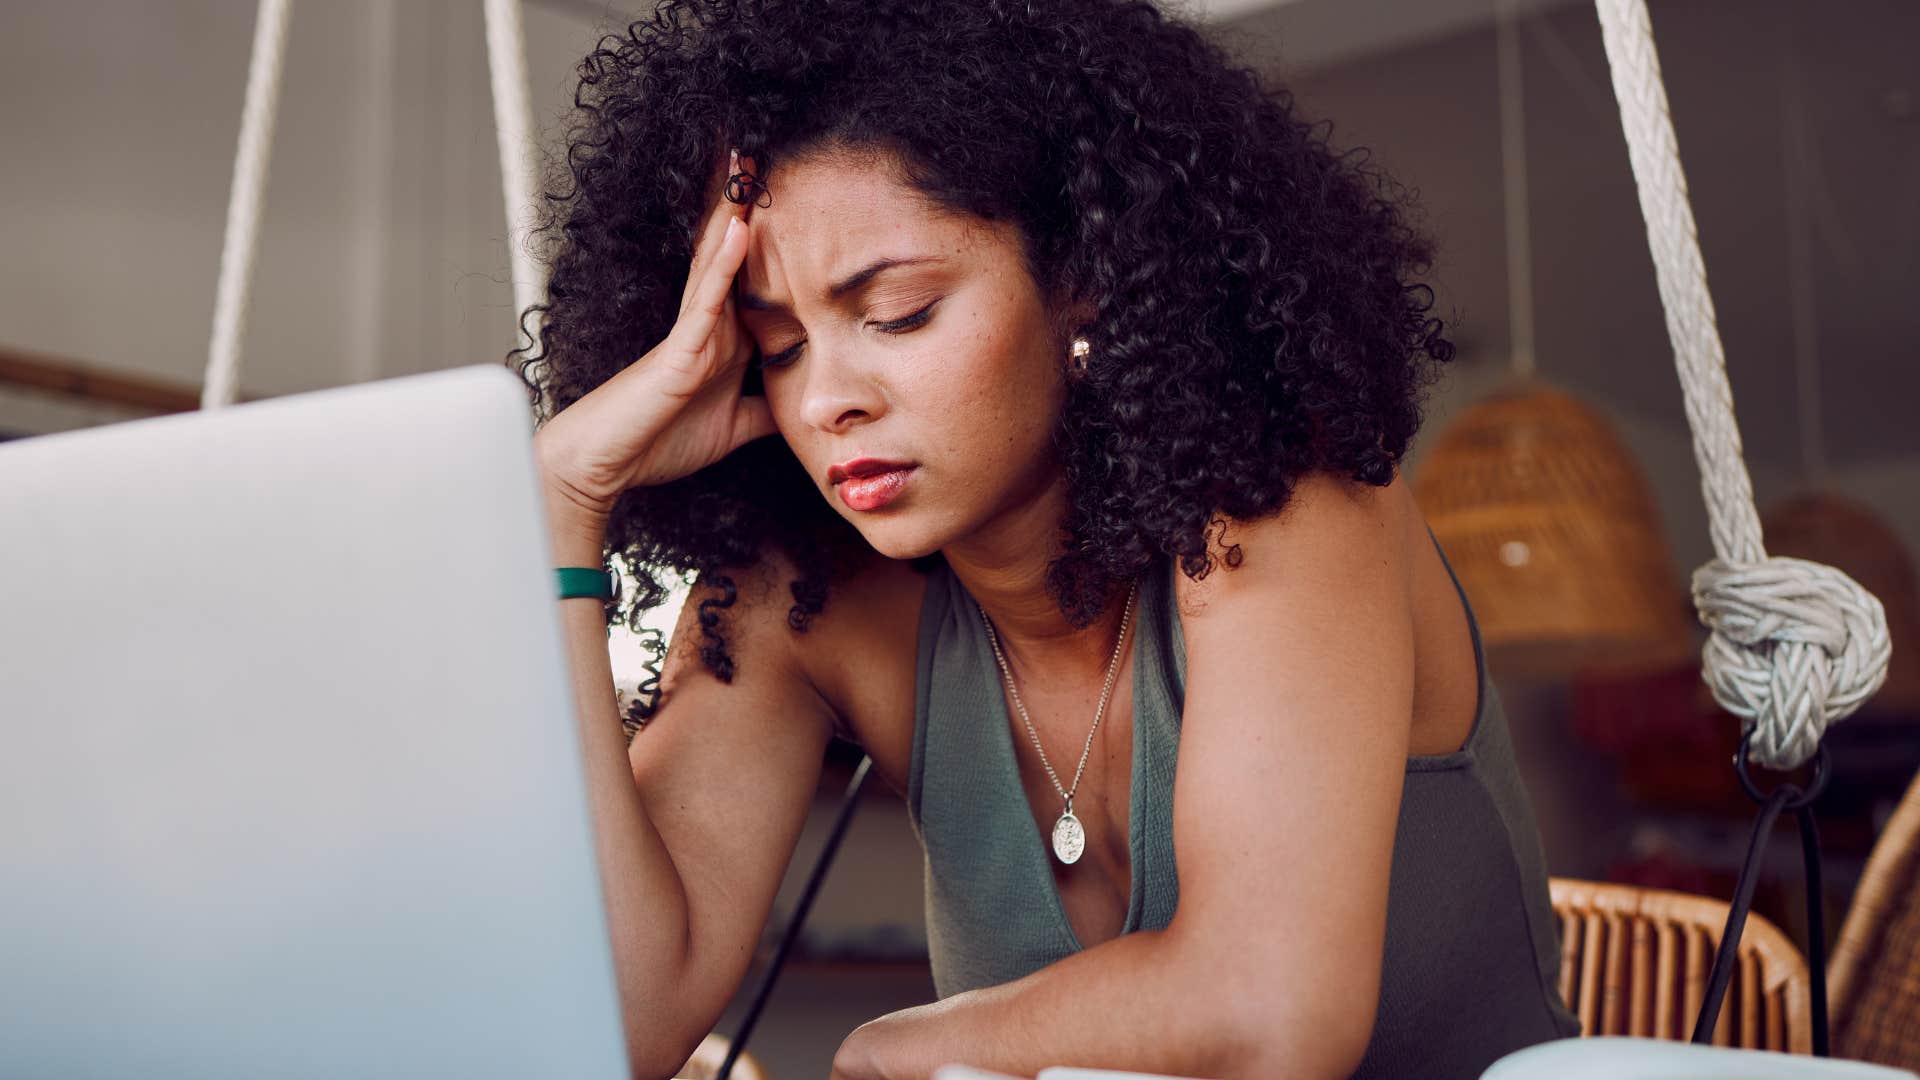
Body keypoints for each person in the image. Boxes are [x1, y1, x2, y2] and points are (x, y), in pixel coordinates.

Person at [523, 0, 1580, 1076]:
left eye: (897, 313)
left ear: (1083, 278)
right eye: (780, 345)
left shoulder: (1279, 488)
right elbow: (613, 1023)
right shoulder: (806, 602)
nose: (828, 399)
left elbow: (1267, 1013)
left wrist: (893, 1049)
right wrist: (563, 503)